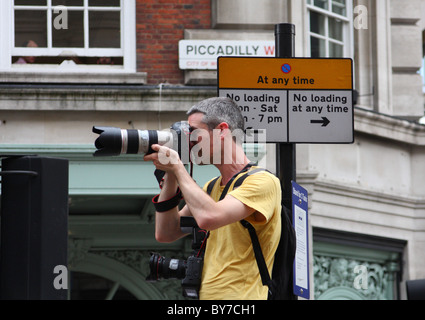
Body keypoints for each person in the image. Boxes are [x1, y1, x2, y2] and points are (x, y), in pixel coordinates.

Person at [144, 97, 282, 300]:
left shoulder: (262, 181)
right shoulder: (212, 188)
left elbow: (210, 217)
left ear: (222, 131)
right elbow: (167, 232)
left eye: (193, 133)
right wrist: (171, 173)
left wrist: (178, 167)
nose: (188, 141)